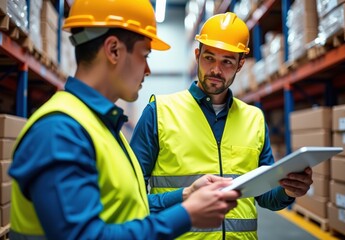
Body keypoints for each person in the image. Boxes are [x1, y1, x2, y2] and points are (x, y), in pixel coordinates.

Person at [8, 1, 241, 239]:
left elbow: (131, 208)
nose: (148, 69)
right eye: (145, 55)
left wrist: (186, 195)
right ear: (114, 50)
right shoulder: (59, 132)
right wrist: (187, 215)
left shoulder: (103, 128)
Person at [130, 12, 313, 240]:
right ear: (197, 55)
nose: (216, 69)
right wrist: (184, 196)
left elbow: (266, 197)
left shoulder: (254, 118)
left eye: (227, 61)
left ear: (240, 64)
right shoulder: (159, 113)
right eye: (209, 58)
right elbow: (131, 200)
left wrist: (288, 190)